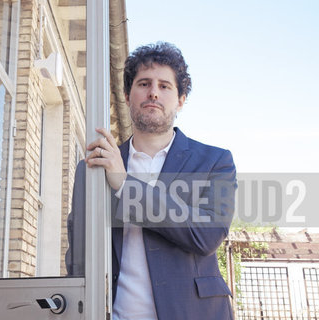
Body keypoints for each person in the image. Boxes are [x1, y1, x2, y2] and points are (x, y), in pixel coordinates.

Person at [66, 42, 237, 320]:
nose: (153, 92)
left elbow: (206, 235)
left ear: (181, 99)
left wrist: (125, 184)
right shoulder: (92, 169)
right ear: (126, 95)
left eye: (165, 86)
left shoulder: (215, 161)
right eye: (144, 83)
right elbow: (79, 256)